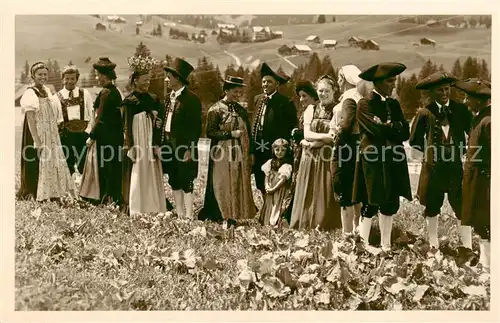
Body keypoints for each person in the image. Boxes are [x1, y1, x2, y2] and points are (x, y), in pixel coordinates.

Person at [353, 62, 412, 252]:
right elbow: (374, 130)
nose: (393, 84)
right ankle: (362, 244)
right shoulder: (365, 103)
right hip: (373, 160)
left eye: (394, 80)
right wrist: (391, 126)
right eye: (389, 81)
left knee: (390, 202)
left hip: (393, 159)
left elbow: (405, 132)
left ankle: (386, 245)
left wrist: (387, 125)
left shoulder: (394, 104)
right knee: (371, 200)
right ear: (378, 82)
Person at [409, 72, 473, 250]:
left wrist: (463, 149)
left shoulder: (461, 110)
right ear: (431, 92)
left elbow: (472, 132)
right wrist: (429, 152)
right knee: (432, 206)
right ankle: (433, 245)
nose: (444, 93)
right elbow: (414, 140)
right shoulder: (424, 113)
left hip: (455, 167)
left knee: (461, 206)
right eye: (439, 91)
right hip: (433, 169)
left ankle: (467, 247)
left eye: (447, 89)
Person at [197, 76, 256, 225]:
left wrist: (251, 152)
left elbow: (248, 132)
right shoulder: (215, 110)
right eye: (235, 92)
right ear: (226, 90)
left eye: (240, 92)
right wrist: (230, 134)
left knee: (238, 181)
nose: (238, 95)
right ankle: (220, 213)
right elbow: (210, 132)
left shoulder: (241, 110)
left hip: (239, 155)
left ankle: (237, 213)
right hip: (221, 154)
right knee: (221, 182)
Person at [289, 75, 342, 231]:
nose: (323, 94)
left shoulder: (338, 109)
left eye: (326, 90)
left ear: (334, 91)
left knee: (325, 189)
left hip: (327, 156)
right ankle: (304, 223)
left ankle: (324, 225)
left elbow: (335, 138)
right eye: (320, 91)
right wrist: (324, 138)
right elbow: (307, 134)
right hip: (309, 157)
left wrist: (316, 142)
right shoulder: (311, 109)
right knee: (308, 188)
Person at [17, 61, 75, 201]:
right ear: (33, 75)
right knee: (36, 159)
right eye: (39, 74)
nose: (43, 77)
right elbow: (30, 119)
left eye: (45, 74)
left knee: (51, 159)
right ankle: (33, 191)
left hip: (50, 131)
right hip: (36, 131)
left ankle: (51, 191)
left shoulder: (47, 90)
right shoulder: (30, 93)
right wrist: (37, 140)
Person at [121, 55, 166, 216]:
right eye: (144, 80)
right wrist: (130, 145)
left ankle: (153, 205)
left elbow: (160, 121)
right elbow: (126, 126)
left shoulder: (154, 99)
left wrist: (157, 142)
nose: (147, 83)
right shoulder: (129, 101)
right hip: (138, 141)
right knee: (139, 170)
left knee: (152, 171)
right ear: (135, 81)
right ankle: (137, 206)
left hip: (150, 141)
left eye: (149, 80)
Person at [157, 57, 202, 220]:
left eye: (169, 77)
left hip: (184, 146)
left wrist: (190, 149)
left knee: (186, 180)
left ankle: (189, 215)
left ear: (178, 78)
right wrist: (162, 144)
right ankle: (180, 213)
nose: (167, 79)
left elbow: (195, 127)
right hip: (169, 144)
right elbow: (164, 123)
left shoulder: (191, 99)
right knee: (174, 179)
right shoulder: (169, 98)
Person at [454, 78, 491, 269]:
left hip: (484, 181)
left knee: (486, 224)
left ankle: (488, 267)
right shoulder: (481, 118)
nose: (465, 102)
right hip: (477, 179)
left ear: (477, 100)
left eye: (468, 97)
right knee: (481, 224)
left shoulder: (489, 121)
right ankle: (485, 264)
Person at [251, 62, 297, 199]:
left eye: (269, 82)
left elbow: (291, 126)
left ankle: (274, 208)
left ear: (276, 84)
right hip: (258, 147)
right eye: (264, 82)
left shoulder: (285, 102)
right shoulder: (257, 99)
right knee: (260, 178)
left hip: (275, 150)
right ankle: (265, 207)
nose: (265, 84)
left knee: (274, 178)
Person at [331, 65, 364, 237]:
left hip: (346, 147)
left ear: (343, 78)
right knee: (355, 191)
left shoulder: (348, 99)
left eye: (338, 77)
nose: (337, 81)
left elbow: (346, 124)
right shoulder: (358, 97)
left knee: (343, 187)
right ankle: (357, 230)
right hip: (356, 145)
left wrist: (337, 137)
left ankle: (347, 233)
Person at [84, 57, 124, 205]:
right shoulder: (115, 91)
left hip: (107, 137)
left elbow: (100, 118)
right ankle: (112, 197)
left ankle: (106, 198)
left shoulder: (106, 93)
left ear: (104, 76)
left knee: (106, 168)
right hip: (115, 137)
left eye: (97, 75)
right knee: (113, 167)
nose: (96, 78)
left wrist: (92, 136)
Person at [282, 80, 319, 223]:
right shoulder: (307, 110)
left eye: (305, 96)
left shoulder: (317, 110)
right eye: (300, 96)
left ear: (313, 96)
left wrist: (299, 133)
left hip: (311, 152)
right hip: (299, 152)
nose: (301, 99)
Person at [52, 64, 95, 175]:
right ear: (62, 79)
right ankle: (67, 191)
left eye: (72, 78)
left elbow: (92, 114)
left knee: (85, 166)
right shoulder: (56, 97)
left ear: (77, 79)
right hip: (65, 136)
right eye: (67, 79)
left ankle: (84, 191)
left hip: (83, 136)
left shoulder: (85, 94)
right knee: (66, 166)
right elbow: (54, 119)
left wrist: (89, 133)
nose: (70, 81)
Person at [259, 138, 293, 226]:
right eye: (277, 150)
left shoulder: (286, 164)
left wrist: (274, 189)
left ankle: (275, 221)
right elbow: (267, 175)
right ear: (273, 150)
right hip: (270, 187)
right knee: (269, 203)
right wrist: (267, 185)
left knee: (277, 204)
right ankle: (266, 220)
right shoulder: (270, 162)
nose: (279, 152)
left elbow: (283, 179)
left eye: (283, 150)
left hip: (279, 189)